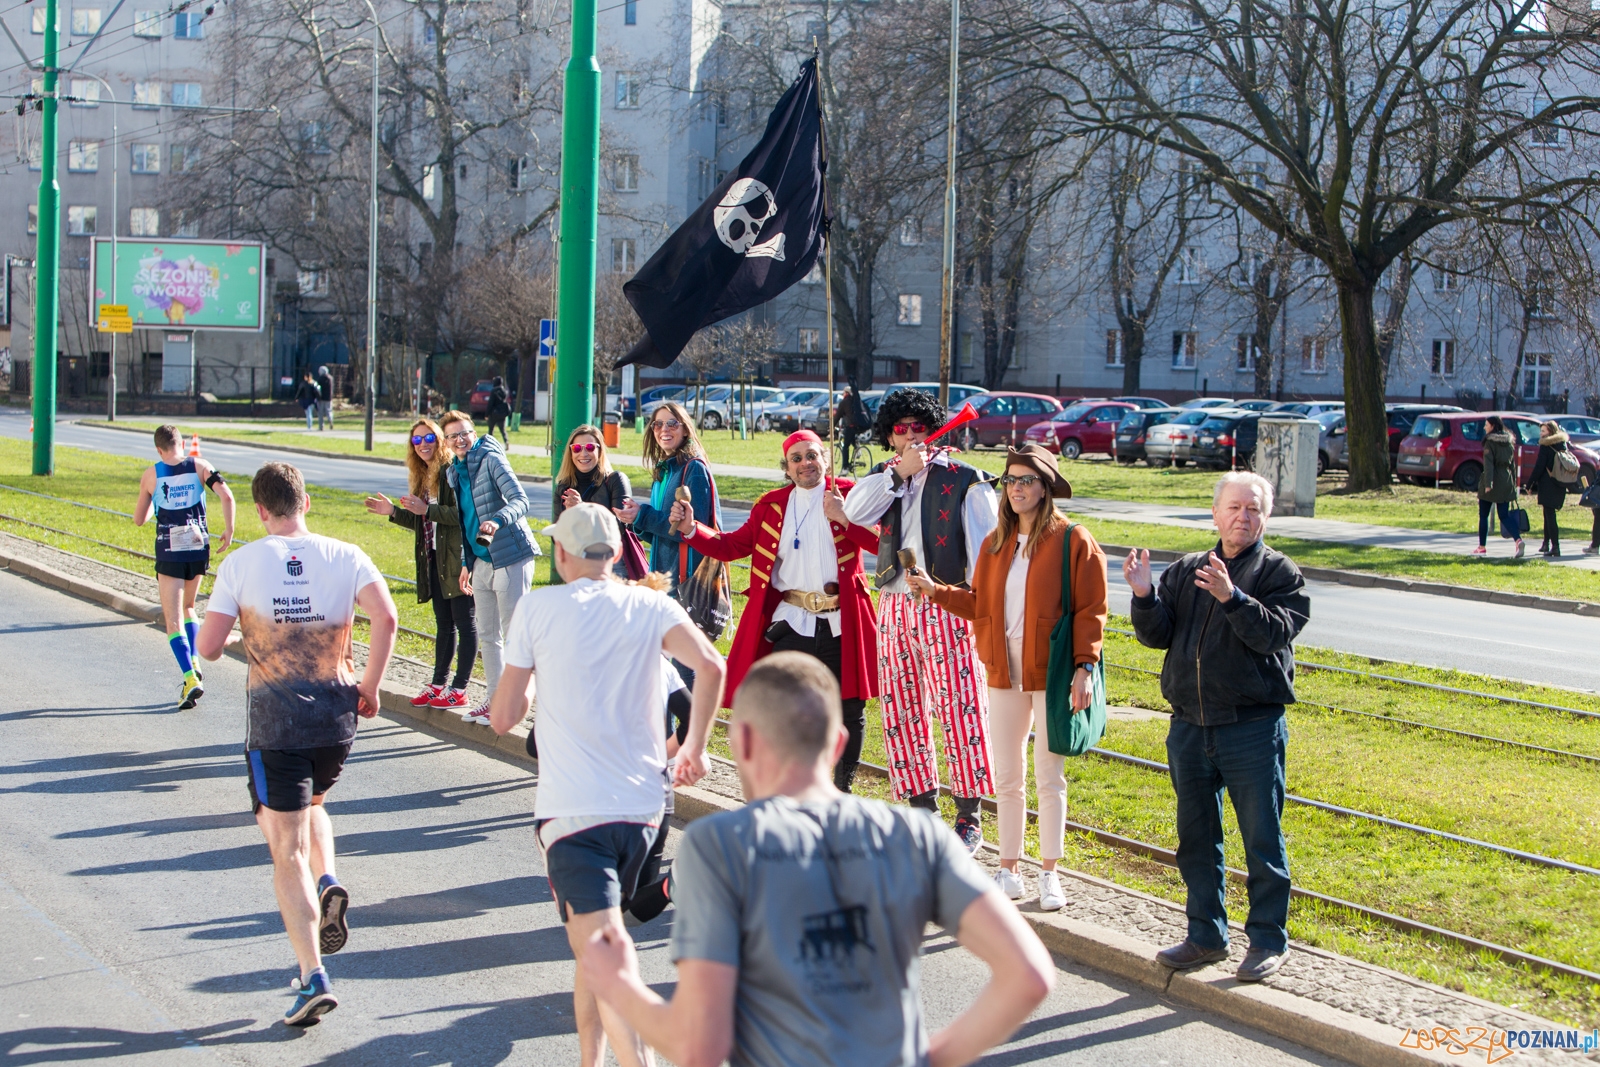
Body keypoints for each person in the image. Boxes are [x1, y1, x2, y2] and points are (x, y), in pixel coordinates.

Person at [579, 652, 1055, 1067]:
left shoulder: (720, 846)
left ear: (742, 742)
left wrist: (618, 983)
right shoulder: (916, 834)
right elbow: (1029, 975)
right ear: (840, 743)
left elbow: (698, 1045)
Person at [488, 501, 725, 1067]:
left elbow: (502, 719)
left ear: (561, 553)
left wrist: (528, 686)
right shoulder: (650, 604)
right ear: (617, 552)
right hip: (643, 812)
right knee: (594, 948)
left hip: (574, 814)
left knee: (605, 953)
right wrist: (693, 748)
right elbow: (711, 667)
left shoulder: (537, 607)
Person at [194, 462, 398, 1026]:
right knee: (315, 805)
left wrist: (246, 629)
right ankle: (328, 878)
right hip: (336, 720)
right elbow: (387, 617)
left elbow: (208, 647)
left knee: (285, 849)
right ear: (305, 502)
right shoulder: (347, 555)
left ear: (260, 510)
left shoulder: (240, 564)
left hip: (277, 727)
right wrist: (371, 686)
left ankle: (313, 976)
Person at [1124, 471, 1309, 983]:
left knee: (1262, 839)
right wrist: (1144, 596)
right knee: (1196, 839)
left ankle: (1267, 939)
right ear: (1215, 514)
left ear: (1265, 517)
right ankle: (1205, 935)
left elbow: (1273, 635)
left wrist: (1233, 598)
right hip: (1190, 726)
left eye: (1253, 509)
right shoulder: (1188, 569)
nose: (1242, 517)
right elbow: (1158, 635)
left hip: (1251, 728)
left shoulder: (1279, 573)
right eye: (1233, 507)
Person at [907, 444, 1107, 912]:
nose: (1016, 489)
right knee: (1007, 776)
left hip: (1052, 675)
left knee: (1049, 776)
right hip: (1003, 673)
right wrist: (937, 591)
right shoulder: (995, 543)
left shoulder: (1073, 540)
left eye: (1026, 481)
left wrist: (1085, 667)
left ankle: (1050, 873)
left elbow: (1091, 609)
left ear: (1045, 487)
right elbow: (980, 605)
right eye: (1011, 480)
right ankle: (1009, 869)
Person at [672, 429, 880, 791]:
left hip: (842, 623)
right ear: (787, 468)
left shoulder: (849, 495)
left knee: (849, 709)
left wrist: (846, 518)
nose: (805, 464)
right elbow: (732, 546)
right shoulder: (770, 505)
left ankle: (840, 791)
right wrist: (692, 528)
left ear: (825, 458)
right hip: (791, 624)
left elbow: (882, 543)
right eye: (796, 459)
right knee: (785, 708)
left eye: (812, 455)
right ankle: (789, 785)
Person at [842, 387, 999, 853]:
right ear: (889, 436)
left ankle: (969, 815)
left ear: (934, 431)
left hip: (946, 605)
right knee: (902, 709)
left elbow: (988, 552)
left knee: (960, 706)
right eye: (901, 428)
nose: (911, 435)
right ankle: (922, 809)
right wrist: (897, 473)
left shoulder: (966, 479)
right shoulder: (884, 476)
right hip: (894, 603)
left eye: (919, 427)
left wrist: (977, 605)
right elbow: (854, 511)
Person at [364, 417, 477, 712]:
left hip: (459, 559)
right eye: (416, 440)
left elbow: (463, 515)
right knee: (444, 624)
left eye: (428, 438)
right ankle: (438, 684)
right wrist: (393, 511)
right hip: (435, 559)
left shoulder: (452, 471)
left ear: (439, 440)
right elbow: (423, 520)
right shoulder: (422, 475)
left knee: (465, 623)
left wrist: (427, 509)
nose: (422, 444)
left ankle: (459, 688)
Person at [441, 409, 540, 725]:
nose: (460, 440)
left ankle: (516, 704)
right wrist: (465, 561)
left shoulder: (491, 460)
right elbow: (465, 520)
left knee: (514, 635)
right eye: (453, 436)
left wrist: (497, 520)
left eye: (464, 433)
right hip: (481, 561)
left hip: (510, 556)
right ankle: (495, 699)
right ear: (446, 442)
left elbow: (521, 501)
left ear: (474, 433)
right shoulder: (453, 472)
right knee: (487, 634)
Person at [133, 423, 236, 710]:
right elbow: (227, 496)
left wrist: (155, 500)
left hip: (170, 550)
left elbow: (139, 519)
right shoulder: (200, 465)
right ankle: (195, 662)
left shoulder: (152, 475)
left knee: (172, 620)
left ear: (159, 449)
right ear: (182, 443)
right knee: (190, 606)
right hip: (197, 545)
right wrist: (229, 530)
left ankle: (190, 677)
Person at [617, 400, 717, 589]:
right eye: (658, 424)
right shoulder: (663, 472)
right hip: (663, 579)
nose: (664, 429)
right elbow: (662, 534)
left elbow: (694, 531)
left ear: (685, 429)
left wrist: (644, 515)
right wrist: (637, 519)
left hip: (685, 583)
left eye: (672, 423)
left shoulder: (694, 469)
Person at [555, 424, 633, 581]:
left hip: (611, 563)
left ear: (600, 450)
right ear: (570, 453)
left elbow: (620, 527)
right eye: (577, 448)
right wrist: (570, 516)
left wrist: (582, 509)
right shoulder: (564, 486)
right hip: (576, 562)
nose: (583, 453)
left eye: (590, 447)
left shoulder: (615, 480)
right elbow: (556, 536)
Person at [1474, 415, 1524, 558]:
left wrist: (1488, 484)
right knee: (1504, 515)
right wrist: (1513, 483)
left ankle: (1482, 547)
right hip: (1506, 481)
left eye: (1486, 425)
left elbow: (1488, 465)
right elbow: (1512, 465)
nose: (1485, 427)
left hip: (1493, 481)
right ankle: (1518, 540)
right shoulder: (1509, 442)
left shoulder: (1490, 442)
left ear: (1493, 426)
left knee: (1483, 515)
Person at [1527, 420, 1573, 558]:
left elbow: (1539, 467)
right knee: (1548, 514)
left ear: (1550, 432)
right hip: (1560, 484)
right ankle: (1546, 543)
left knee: (1550, 516)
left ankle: (1555, 547)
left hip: (1548, 484)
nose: (1541, 434)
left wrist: (1529, 484)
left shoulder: (1546, 446)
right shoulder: (1562, 444)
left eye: (1543, 431)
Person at [836, 384, 868, 470]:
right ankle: (858, 450)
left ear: (846, 393)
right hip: (860, 426)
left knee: (845, 446)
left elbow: (837, 416)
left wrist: (831, 426)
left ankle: (845, 467)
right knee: (852, 438)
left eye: (844, 392)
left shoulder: (844, 402)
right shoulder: (855, 401)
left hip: (850, 426)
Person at [486, 375, 512, 445]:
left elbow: (490, 403)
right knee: (503, 430)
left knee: (491, 429)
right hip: (502, 413)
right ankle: (506, 441)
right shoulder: (504, 391)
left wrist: (487, 414)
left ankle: (490, 443)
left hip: (494, 413)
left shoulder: (493, 391)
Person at [315, 365, 335, 431]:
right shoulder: (331, 378)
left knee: (320, 412)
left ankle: (321, 426)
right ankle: (330, 420)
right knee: (329, 411)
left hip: (321, 398)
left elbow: (318, 388)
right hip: (329, 397)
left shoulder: (320, 379)